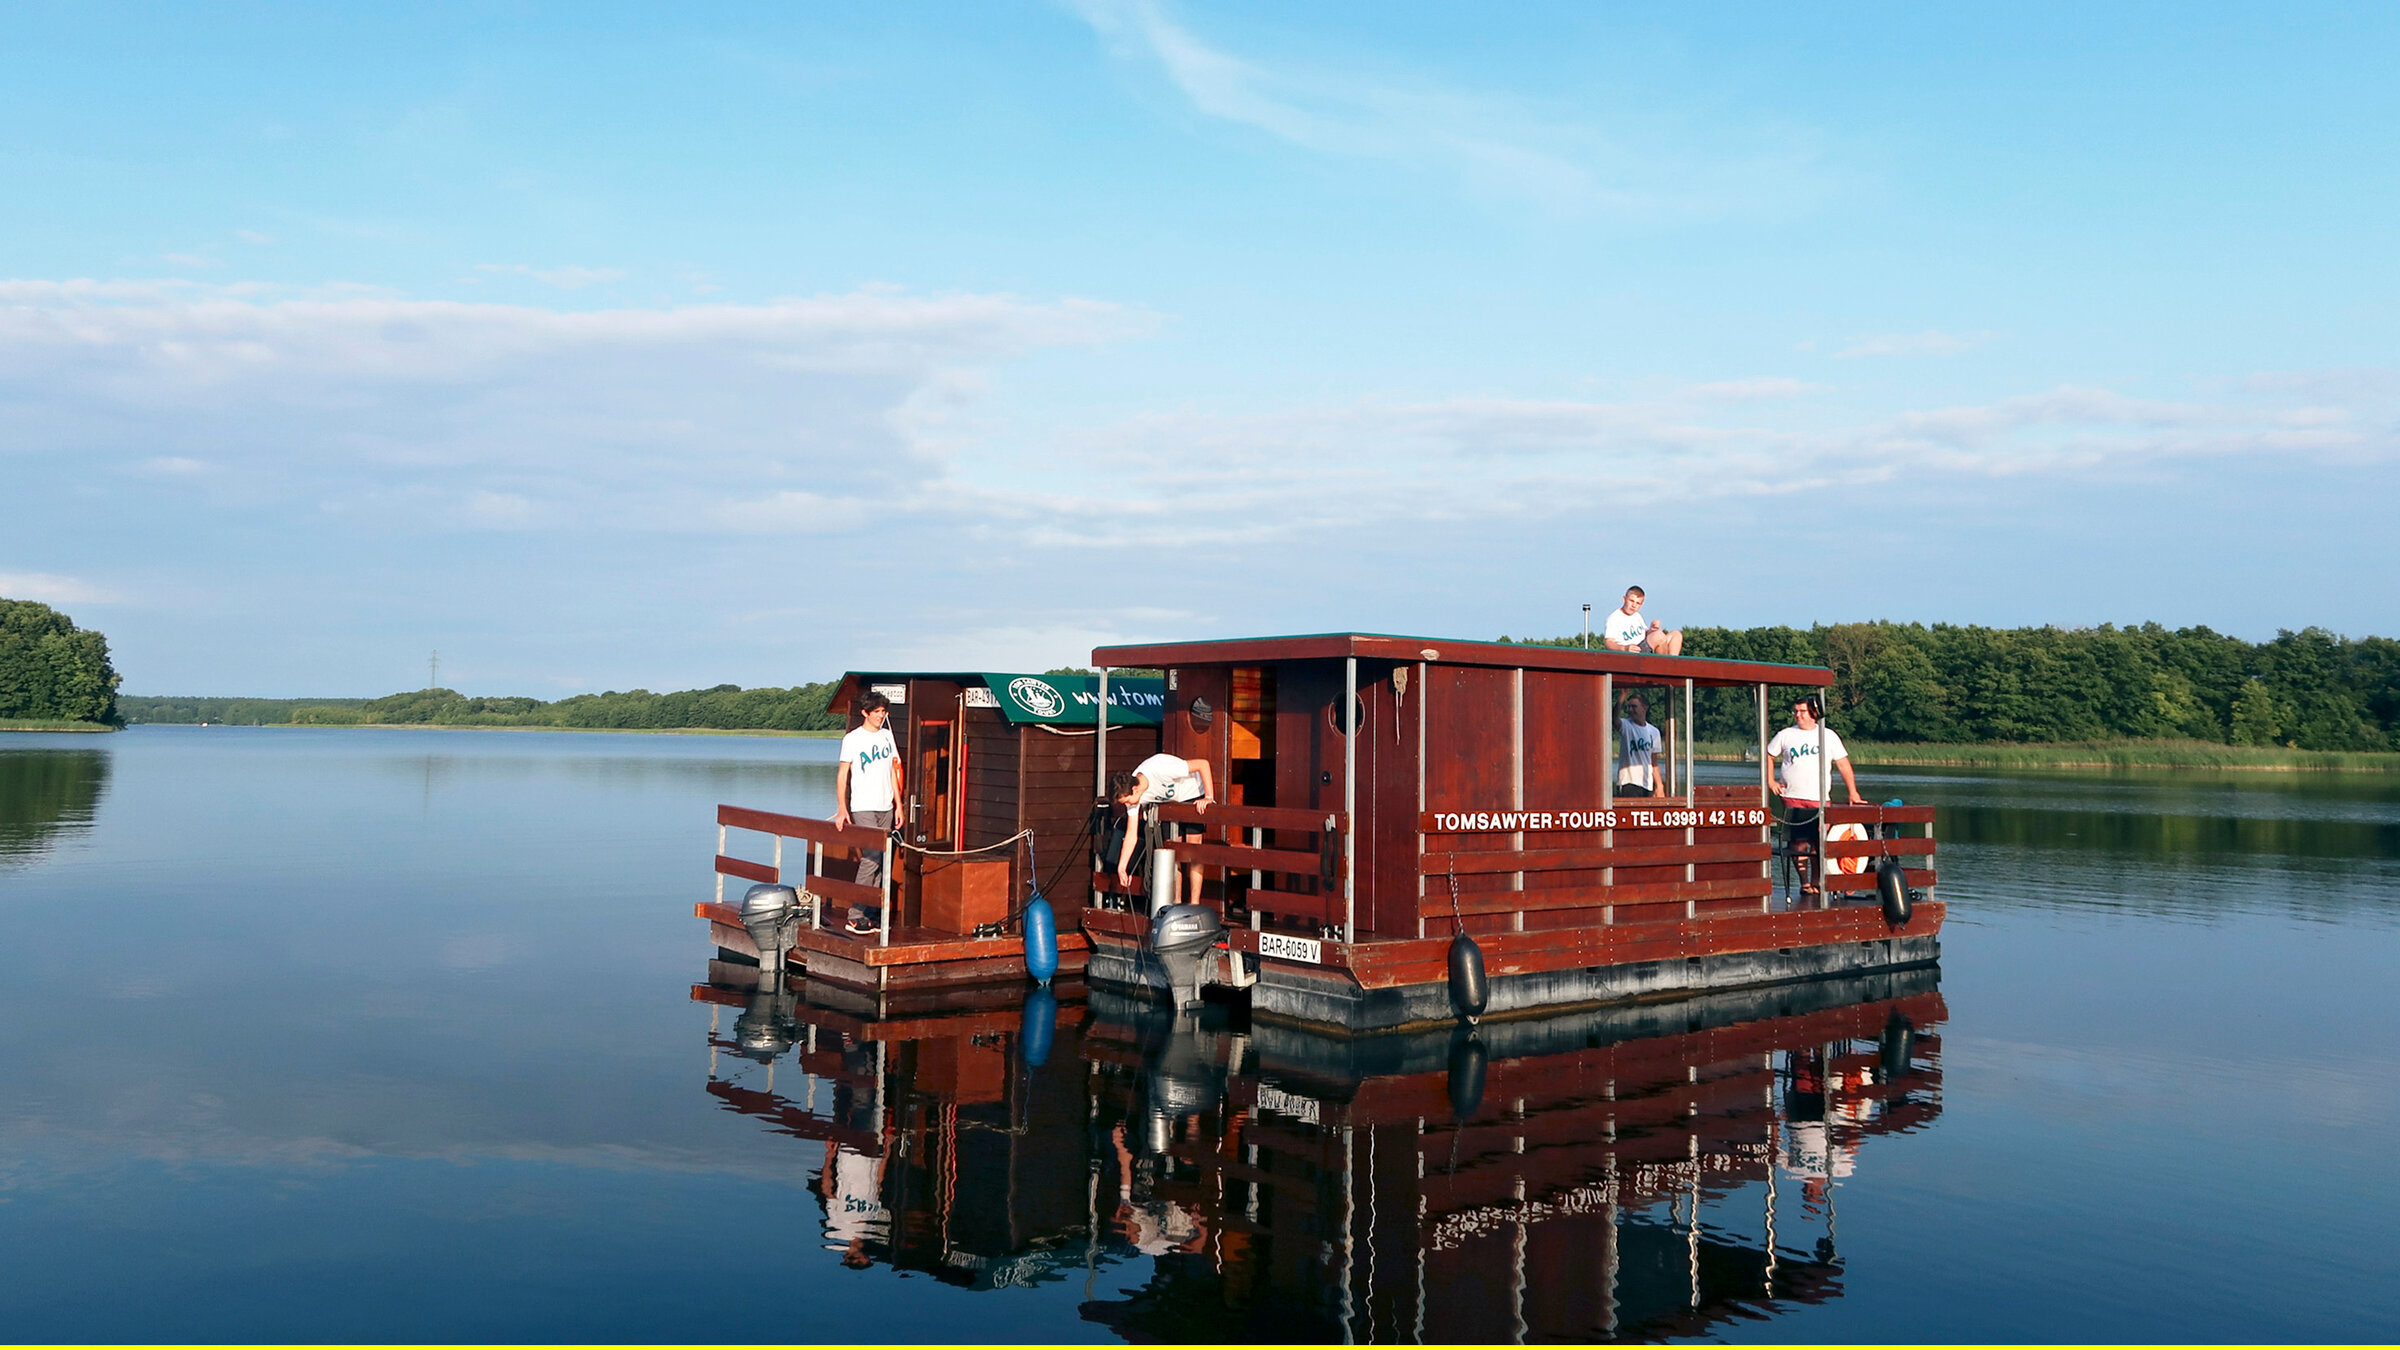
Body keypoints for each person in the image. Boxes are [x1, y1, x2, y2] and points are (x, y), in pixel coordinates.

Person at [1766, 694, 1863, 895]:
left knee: (1819, 840)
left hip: (1819, 798)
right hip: (1792, 796)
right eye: (1796, 711)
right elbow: (1769, 755)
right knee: (1797, 842)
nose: (1797, 715)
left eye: (1802, 711)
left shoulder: (1828, 736)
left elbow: (1843, 764)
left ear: (1814, 713)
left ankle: (1817, 881)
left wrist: (1852, 792)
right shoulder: (1786, 734)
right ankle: (1804, 884)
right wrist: (1771, 781)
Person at [833, 691, 904, 935]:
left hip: (886, 806)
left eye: (884, 712)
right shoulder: (853, 739)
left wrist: (899, 805)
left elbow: (893, 772)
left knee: (884, 861)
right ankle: (855, 915)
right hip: (863, 805)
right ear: (865, 713)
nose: (881, 717)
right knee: (871, 857)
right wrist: (842, 807)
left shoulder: (887, 735)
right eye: (876, 712)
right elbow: (843, 774)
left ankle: (871, 912)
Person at [1112, 751, 1215, 906]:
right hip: (1172, 803)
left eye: (1127, 801)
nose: (1128, 805)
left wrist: (1208, 797)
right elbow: (1131, 833)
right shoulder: (1133, 797)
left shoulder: (1160, 767)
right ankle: (1177, 902)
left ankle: (1195, 903)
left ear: (1135, 789)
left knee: (1194, 851)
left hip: (1193, 793)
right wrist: (1122, 867)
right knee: (1175, 852)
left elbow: (1203, 764)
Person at [1601, 586, 1684, 655]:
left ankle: (1672, 664)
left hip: (1644, 646)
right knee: (1659, 636)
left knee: (1676, 634)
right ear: (1624, 599)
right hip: (1632, 652)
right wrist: (1624, 648)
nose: (1634, 605)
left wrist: (1652, 629)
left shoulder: (1637, 616)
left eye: (1638, 603)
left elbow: (1645, 634)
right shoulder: (1614, 618)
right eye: (1631, 601)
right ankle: (1664, 666)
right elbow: (1609, 642)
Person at [1616, 690, 1663, 797]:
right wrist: (1622, 696)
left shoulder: (1654, 731)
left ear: (1644, 708)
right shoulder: (1626, 725)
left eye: (1634, 707)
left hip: (1647, 784)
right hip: (1628, 782)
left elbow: (1653, 762)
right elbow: (1614, 719)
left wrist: (1659, 786)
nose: (1630, 710)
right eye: (1629, 707)